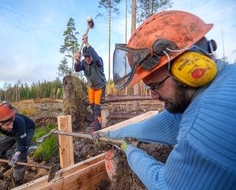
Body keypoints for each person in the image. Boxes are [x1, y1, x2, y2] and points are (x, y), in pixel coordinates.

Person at [94, 10, 236, 189]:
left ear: (187, 66)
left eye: (154, 86)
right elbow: (171, 122)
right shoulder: (224, 79)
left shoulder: (206, 123)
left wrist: (128, 150)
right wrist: (114, 133)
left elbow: (164, 184)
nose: (153, 95)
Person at [75, 34, 106, 131]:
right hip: (91, 87)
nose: (87, 59)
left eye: (89, 56)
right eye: (85, 57)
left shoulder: (98, 60)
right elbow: (76, 69)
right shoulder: (84, 62)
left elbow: (95, 58)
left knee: (97, 107)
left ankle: (97, 128)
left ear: (92, 55)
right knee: (92, 105)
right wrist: (77, 60)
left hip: (100, 87)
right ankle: (95, 119)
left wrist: (87, 43)